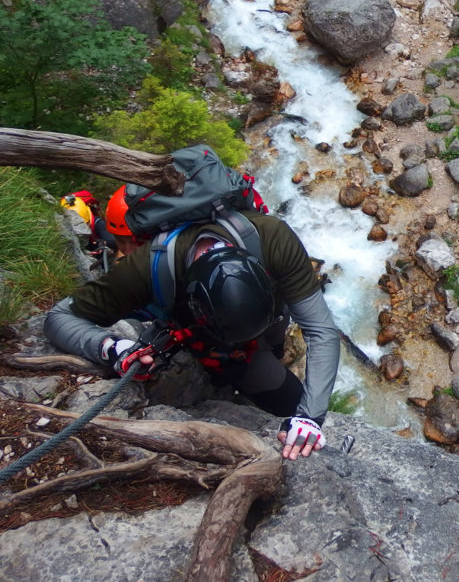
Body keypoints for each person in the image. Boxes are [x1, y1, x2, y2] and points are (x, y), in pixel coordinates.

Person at [44, 186, 341, 462]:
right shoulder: (145, 269)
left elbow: (320, 328)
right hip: (225, 350)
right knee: (282, 395)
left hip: (270, 322)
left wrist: (310, 417)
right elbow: (58, 318)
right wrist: (113, 347)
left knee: (283, 377)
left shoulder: (272, 237)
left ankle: (270, 356)